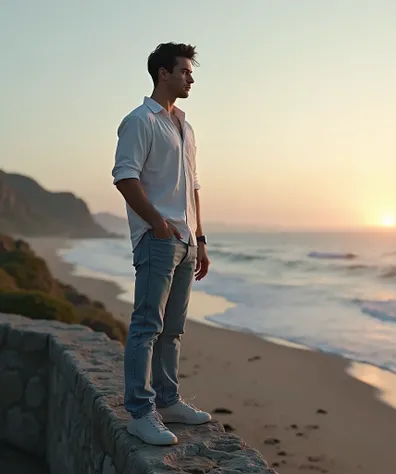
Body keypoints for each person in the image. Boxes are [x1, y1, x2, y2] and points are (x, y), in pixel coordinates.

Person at [112, 42, 211, 446]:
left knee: (173, 329)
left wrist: (200, 239)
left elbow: (195, 188)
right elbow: (125, 177)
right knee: (146, 326)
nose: (191, 78)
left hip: (185, 241)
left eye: (191, 71)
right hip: (159, 239)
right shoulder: (140, 121)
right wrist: (157, 224)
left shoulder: (186, 127)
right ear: (163, 73)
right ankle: (139, 411)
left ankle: (168, 401)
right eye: (185, 71)